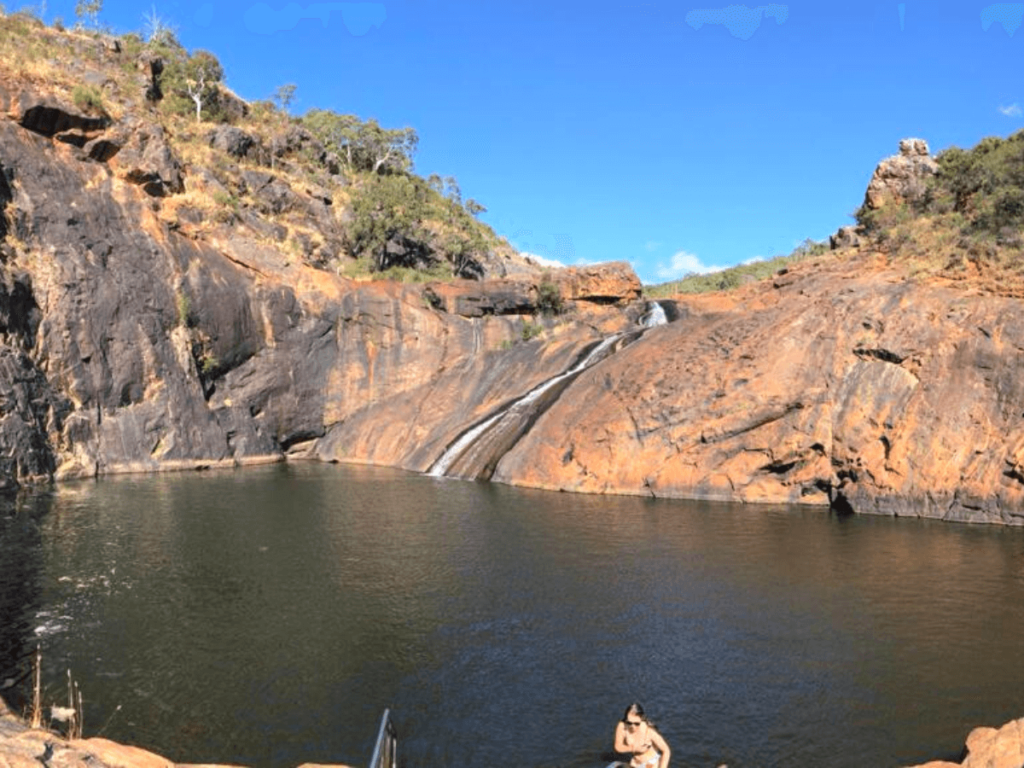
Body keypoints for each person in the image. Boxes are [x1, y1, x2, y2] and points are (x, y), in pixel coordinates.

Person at [614, 702, 671, 768]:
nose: (633, 726)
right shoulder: (622, 726)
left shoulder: (649, 730)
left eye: (636, 723)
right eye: (629, 722)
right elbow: (618, 747)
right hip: (635, 763)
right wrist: (634, 748)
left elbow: (666, 750)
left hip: (650, 764)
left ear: (641, 719)